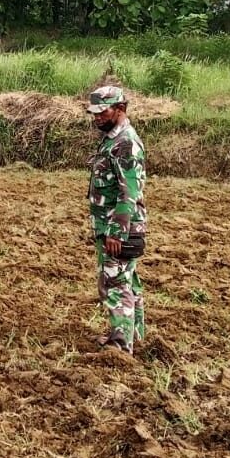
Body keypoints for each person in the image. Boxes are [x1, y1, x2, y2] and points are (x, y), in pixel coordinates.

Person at [86, 85, 148, 355]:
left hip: (119, 228)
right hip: (112, 226)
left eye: (102, 112)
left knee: (115, 285)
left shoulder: (125, 143)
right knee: (126, 281)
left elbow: (129, 193)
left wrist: (116, 233)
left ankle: (121, 348)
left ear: (120, 109)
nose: (96, 117)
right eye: (94, 113)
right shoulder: (112, 138)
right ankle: (131, 335)